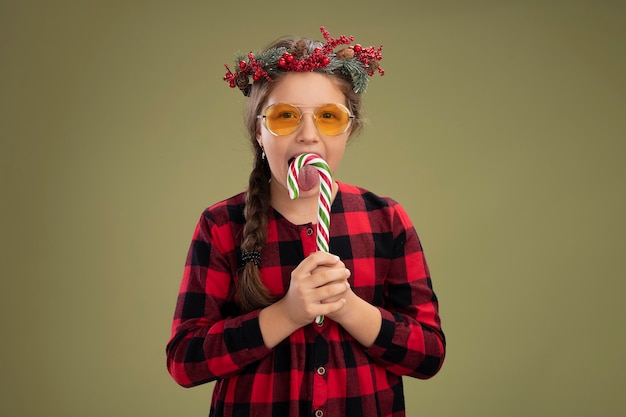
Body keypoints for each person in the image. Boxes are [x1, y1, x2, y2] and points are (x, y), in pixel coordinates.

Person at [166, 26, 446, 417]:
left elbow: (427, 355)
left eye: (329, 117)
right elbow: (185, 361)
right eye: (285, 117)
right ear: (259, 133)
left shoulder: (386, 220)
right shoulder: (221, 224)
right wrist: (287, 313)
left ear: (350, 129)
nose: (308, 136)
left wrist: (347, 306)